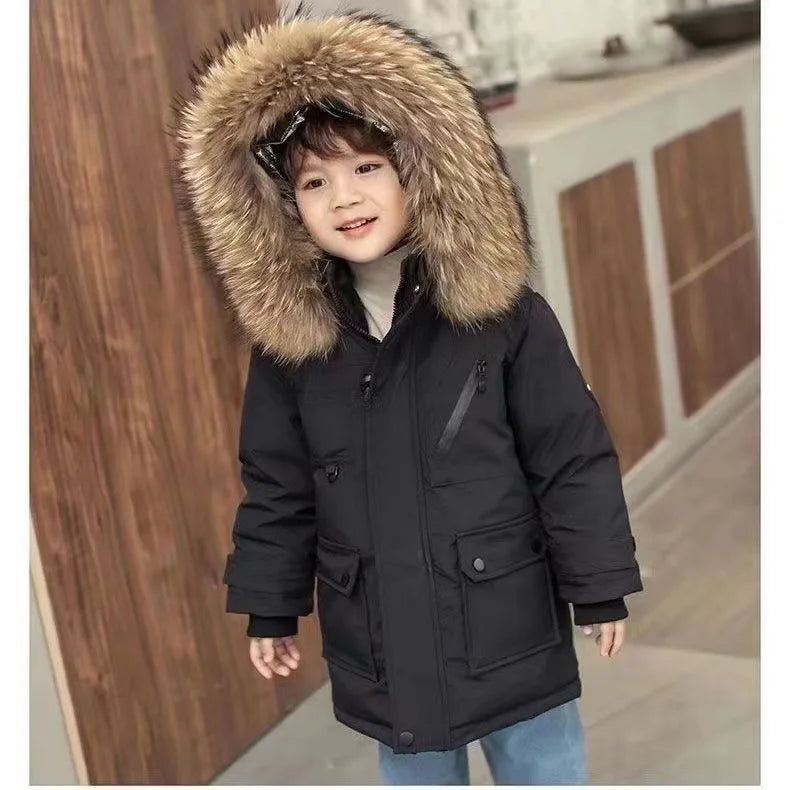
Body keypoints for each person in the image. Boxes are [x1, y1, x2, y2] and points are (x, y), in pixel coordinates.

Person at [174, 3, 644, 785]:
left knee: (545, 768)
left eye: (367, 168)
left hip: (509, 628)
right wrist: (270, 603)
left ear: (418, 170)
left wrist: (598, 587)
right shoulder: (296, 347)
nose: (345, 197)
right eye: (315, 182)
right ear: (286, 207)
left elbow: (570, 454)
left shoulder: (500, 315)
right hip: (387, 649)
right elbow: (278, 486)